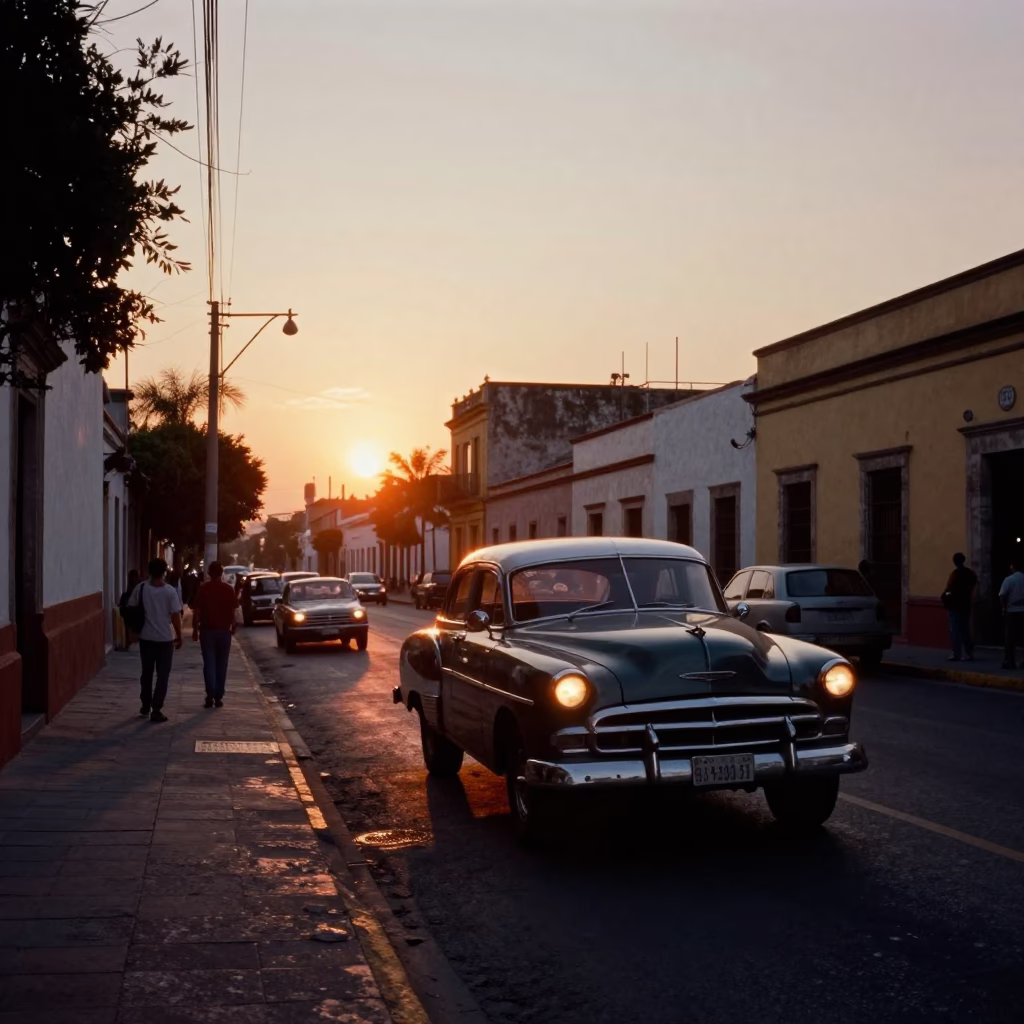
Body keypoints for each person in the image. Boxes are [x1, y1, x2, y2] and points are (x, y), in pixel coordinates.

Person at [128, 557, 184, 722]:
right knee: (163, 675)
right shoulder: (169, 591)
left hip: (146, 637)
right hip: (165, 639)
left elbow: (131, 608)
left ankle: (145, 704)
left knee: (146, 673)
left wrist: (132, 631)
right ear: (164, 572)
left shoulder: (141, 588)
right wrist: (179, 636)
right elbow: (175, 616)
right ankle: (157, 708)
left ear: (149, 571)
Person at [190, 561, 238, 708]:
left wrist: (194, 629)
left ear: (209, 573)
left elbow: (197, 611)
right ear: (222, 573)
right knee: (221, 665)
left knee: (209, 664)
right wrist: (233, 626)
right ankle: (218, 696)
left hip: (207, 631)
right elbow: (234, 610)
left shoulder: (204, 589)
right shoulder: (228, 589)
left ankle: (210, 695)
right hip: (224, 632)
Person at [942, 552, 977, 662]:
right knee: (965, 629)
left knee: (955, 630)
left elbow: (949, 590)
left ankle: (956, 653)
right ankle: (969, 653)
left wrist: (945, 595)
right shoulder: (970, 573)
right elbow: (974, 584)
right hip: (966, 604)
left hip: (955, 605)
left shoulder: (955, 574)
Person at [998, 555, 1024, 670]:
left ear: (1012, 566)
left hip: (1012, 612)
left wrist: (1003, 609)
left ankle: (1010, 661)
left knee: (1010, 639)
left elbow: (1002, 596)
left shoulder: (1009, 580)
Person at [117, 569, 140, 651]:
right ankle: (128, 641)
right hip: (131, 612)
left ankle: (128, 641)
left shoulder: (137, 589)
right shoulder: (135, 590)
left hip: (132, 612)